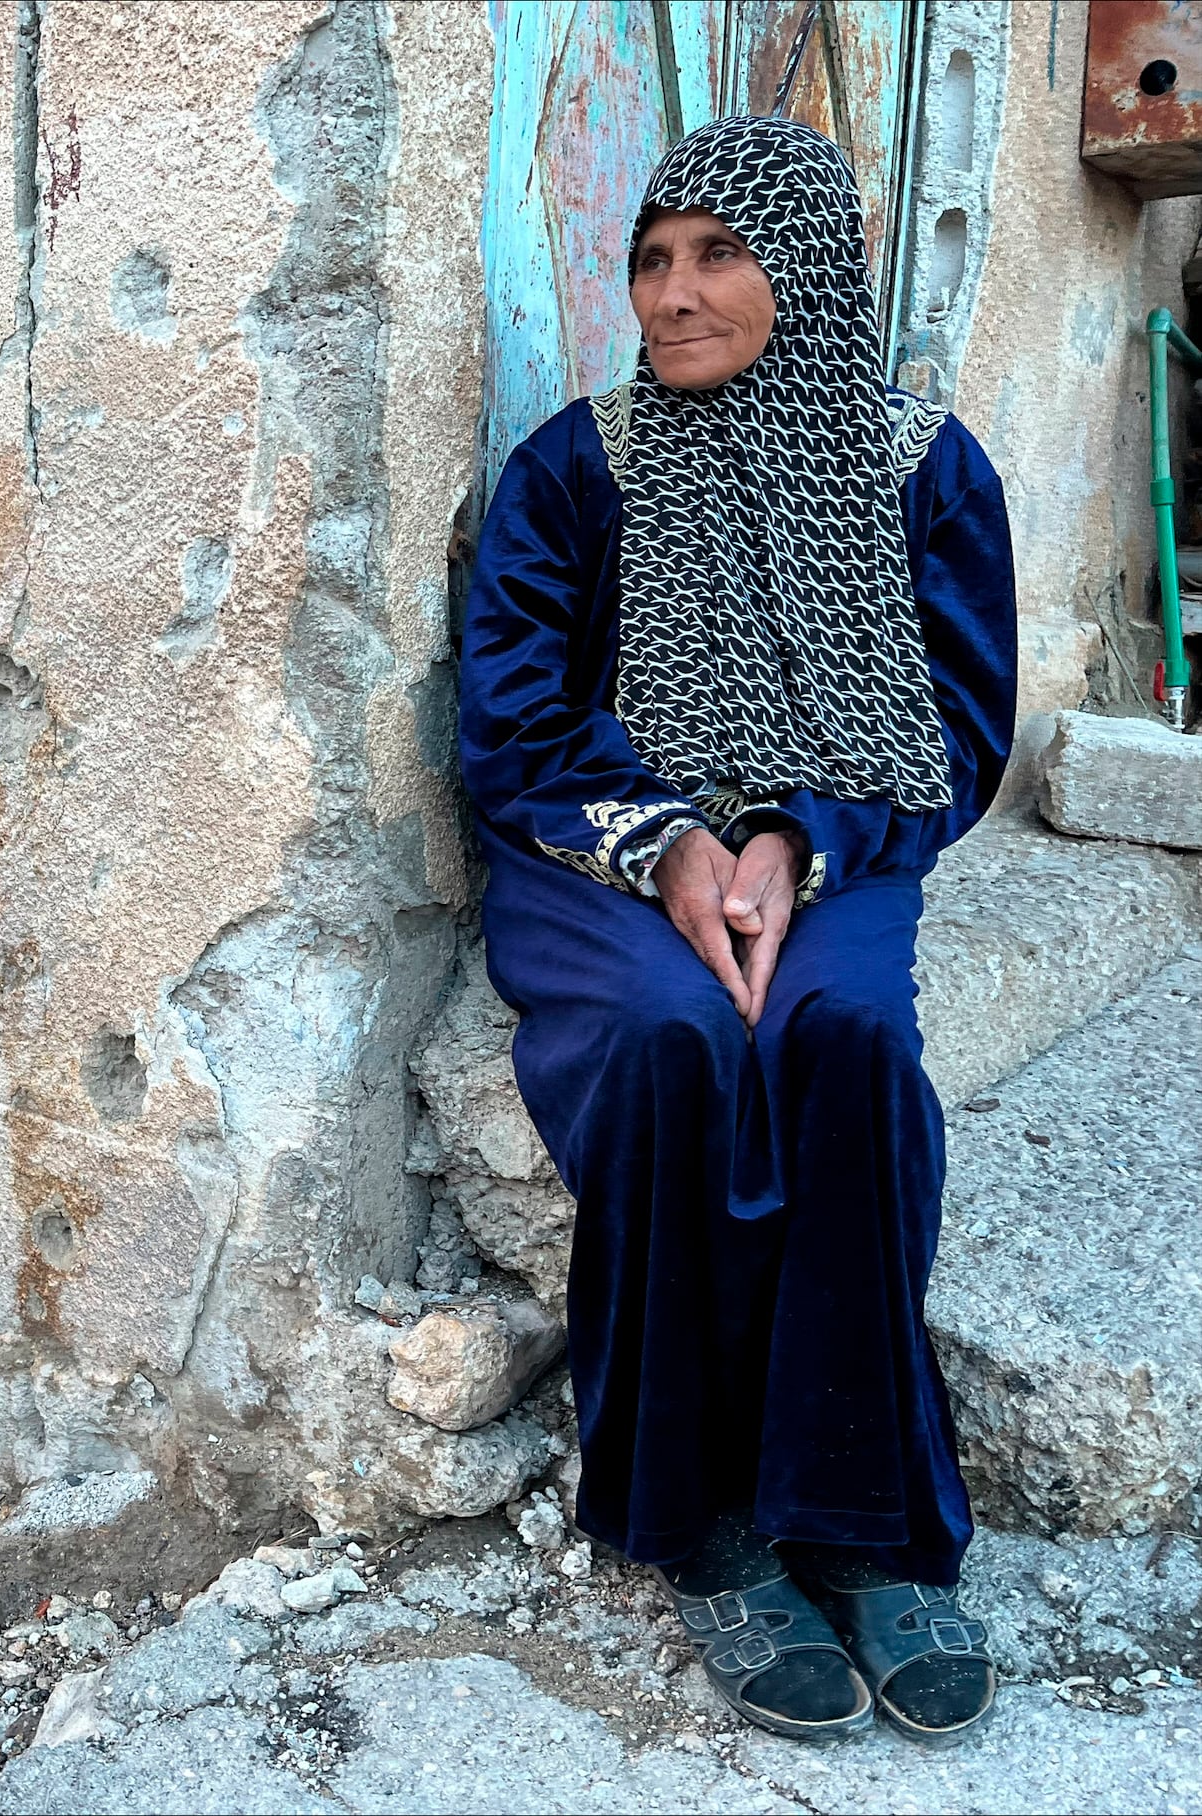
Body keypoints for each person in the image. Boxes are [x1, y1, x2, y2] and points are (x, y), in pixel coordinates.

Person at [459, 114, 1014, 1746]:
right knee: (667, 1039)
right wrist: (671, 844)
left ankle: (863, 1525)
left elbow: (962, 733)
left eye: (718, 253)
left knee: (838, 1037)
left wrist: (801, 842)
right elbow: (511, 724)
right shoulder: (577, 467)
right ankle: (700, 1518)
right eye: (651, 258)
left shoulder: (922, 467)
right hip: (598, 854)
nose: (674, 296)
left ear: (811, 267)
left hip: (842, 848)